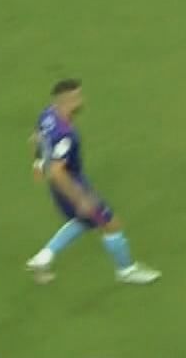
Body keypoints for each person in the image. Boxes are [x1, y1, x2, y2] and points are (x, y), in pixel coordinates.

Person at [25, 79, 161, 285]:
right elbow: (57, 172)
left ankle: (43, 258)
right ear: (68, 100)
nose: (82, 100)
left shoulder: (48, 114)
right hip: (72, 187)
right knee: (110, 224)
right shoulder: (65, 135)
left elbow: (36, 137)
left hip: (62, 187)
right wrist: (80, 198)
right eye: (78, 97)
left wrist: (37, 163)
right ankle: (126, 271)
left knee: (83, 221)